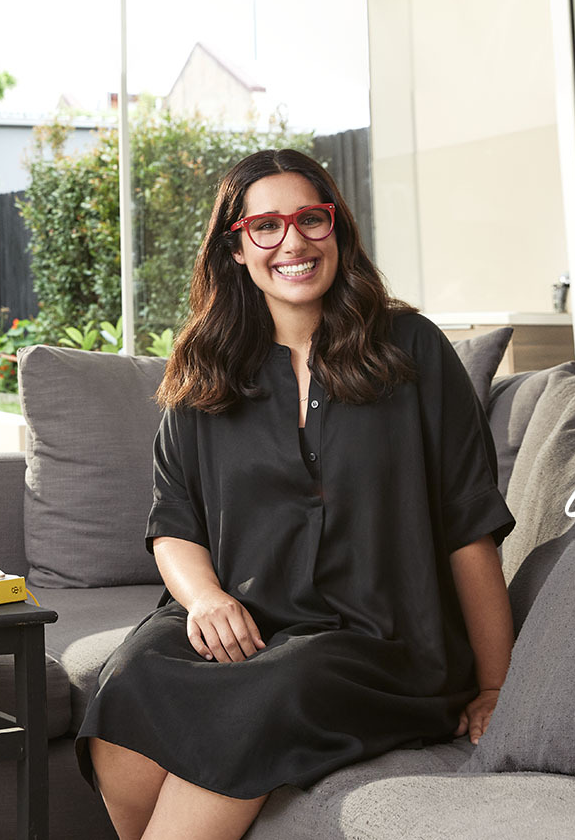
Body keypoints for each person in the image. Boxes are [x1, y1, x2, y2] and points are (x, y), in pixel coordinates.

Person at [74, 149, 516, 840]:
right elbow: (174, 525)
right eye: (266, 227)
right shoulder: (204, 368)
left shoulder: (415, 351)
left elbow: (471, 531)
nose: (294, 242)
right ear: (237, 247)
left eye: (311, 219)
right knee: (128, 675)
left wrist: (496, 687)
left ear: (336, 229)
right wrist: (206, 598)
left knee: (278, 685)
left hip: (378, 641)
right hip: (243, 622)